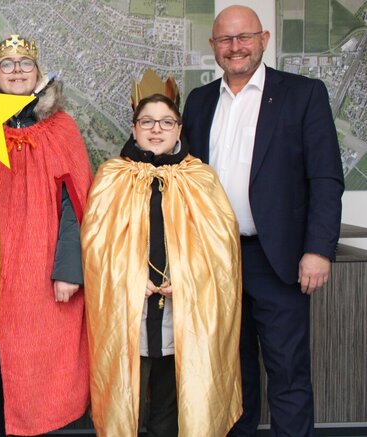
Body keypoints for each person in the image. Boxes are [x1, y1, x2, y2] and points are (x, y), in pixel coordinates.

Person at [182, 5, 345, 436]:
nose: (235, 47)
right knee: (232, 376)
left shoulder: (303, 94)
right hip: (216, 262)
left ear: (263, 40)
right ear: (213, 46)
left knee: (288, 372)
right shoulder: (199, 101)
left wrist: (318, 250)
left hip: (279, 260)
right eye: (225, 39)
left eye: (244, 37)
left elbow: (326, 177)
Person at [0, 34, 92, 436]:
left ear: (38, 72)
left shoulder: (61, 128)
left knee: (37, 363)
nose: (17, 71)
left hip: (42, 267)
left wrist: (69, 270)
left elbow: (76, 203)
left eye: (25, 64)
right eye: (7, 65)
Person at [82, 81, 243, 436]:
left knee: (172, 409)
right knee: (128, 402)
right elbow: (95, 244)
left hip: (183, 313)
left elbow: (221, 249)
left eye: (166, 122)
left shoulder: (201, 178)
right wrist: (129, 277)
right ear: (134, 128)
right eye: (147, 122)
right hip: (129, 312)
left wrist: (187, 279)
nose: (157, 129)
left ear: (179, 129)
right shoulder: (112, 176)